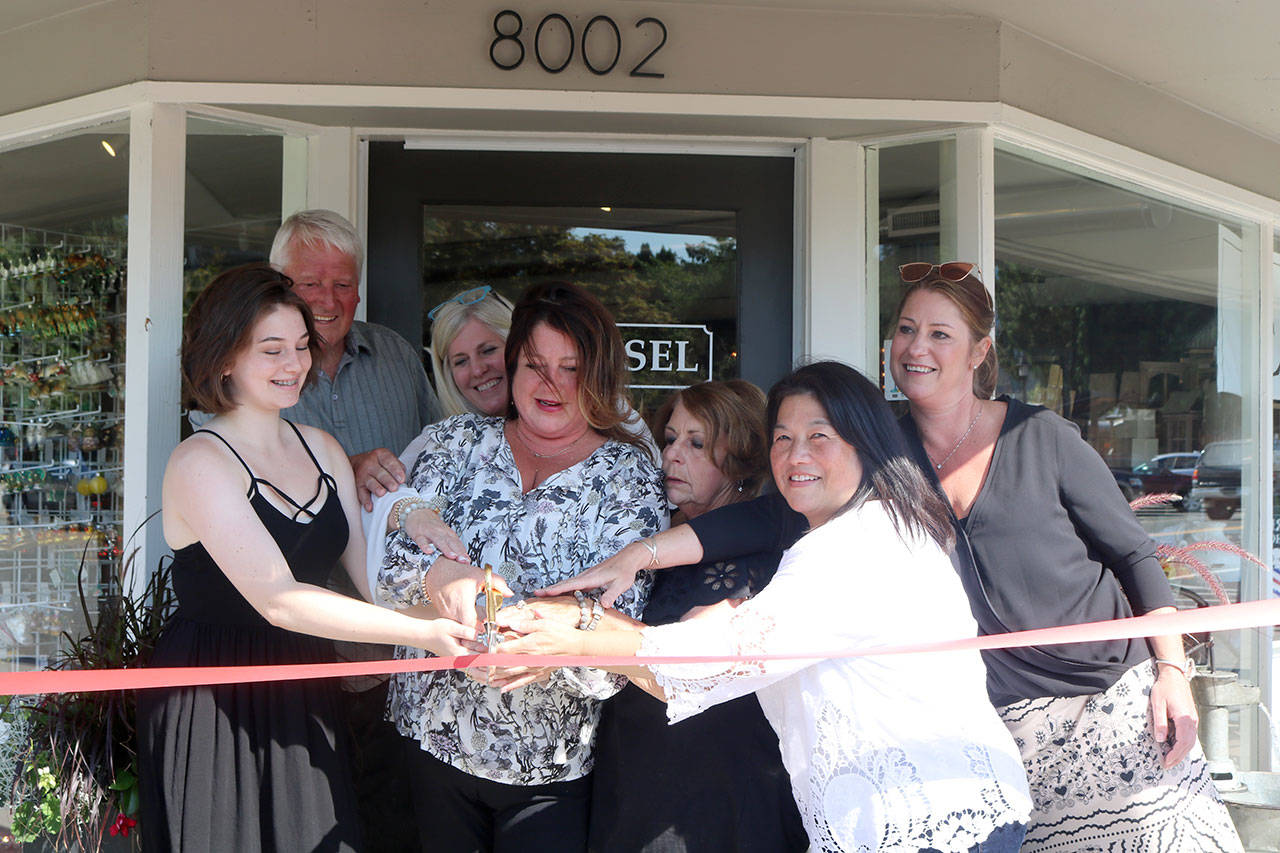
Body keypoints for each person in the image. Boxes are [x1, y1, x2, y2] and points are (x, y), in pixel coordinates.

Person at [499, 362, 1032, 853]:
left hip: (932, 820)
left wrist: (577, 630)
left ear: (865, 443)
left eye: (818, 437)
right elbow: (752, 526)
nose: (796, 455)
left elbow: (708, 664)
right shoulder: (861, 521)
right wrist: (636, 558)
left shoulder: (857, 550)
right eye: (783, 437)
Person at [886, 261, 1241, 851]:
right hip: (1000, 733)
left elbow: (1135, 556)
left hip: (1116, 708)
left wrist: (1173, 675)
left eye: (939, 333)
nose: (916, 347)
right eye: (905, 328)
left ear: (978, 353)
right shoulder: (882, 457)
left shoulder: (1041, 435)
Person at [137, 265, 477, 853]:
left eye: (300, 347)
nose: (293, 364)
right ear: (223, 359)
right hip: (214, 695)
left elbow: (371, 578)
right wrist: (424, 632)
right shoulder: (199, 460)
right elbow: (278, 599)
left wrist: (456, 586)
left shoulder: (322, 449)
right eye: (272, 350)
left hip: (306, 680)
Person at [368, 281, 667, 851]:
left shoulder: (629, 477)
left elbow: (617, 631)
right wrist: (440, 579)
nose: (550, 383)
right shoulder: (457, 443)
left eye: (570, 367)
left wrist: (534, 642)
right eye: (534, 364)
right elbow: (389, 567)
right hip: (429, 739)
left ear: (599, 374)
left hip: (549, 766)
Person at [588, 380, 806, 852]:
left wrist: (579, 634)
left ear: (742, 457)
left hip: (714, 796)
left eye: (697, 443)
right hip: (630, 778)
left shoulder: (766, 553)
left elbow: (686, 660)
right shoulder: (646, 531)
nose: (673, 455)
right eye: (669, 439)